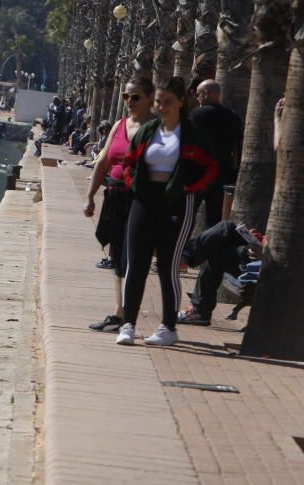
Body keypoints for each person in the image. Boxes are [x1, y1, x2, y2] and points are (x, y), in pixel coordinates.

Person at [116, 76, 219, 346]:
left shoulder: (193, 134)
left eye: (168, 102)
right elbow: (129, 162)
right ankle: (128, 324)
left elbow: (211, 168)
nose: (162, 107)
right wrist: (132, 184)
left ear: (181, 102)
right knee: (135, 264)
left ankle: (168, 327)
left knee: (167, 267)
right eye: (159, 102)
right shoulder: (148, 131)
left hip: (176, 205)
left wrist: (191, 188)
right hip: (144, 201)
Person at [83, 78, 156, 332]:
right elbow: (103, 161)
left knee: (132, 256)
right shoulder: (119, 125)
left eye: (135, 96)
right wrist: (90, 196)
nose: (130, 102)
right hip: (114, 196)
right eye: (126, 96)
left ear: (149, 98)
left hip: (140, 200)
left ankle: (128, 316)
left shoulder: (157, 128)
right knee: (116, 256)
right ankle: (119, 311)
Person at [176, 220, 262, 325]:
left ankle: (184, 257)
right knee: (226, 230)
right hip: (254, 255)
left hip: (258, 264)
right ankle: (185, 257)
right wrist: (258, 238)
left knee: (225, 230)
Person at [189, 80, 243, 227]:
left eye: (199, 94)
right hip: (222, 173)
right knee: (214, 220)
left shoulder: (195, 115)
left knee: (188, 216)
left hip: (198, 173)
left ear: (208, 94)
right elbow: (237, 148)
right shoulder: (233, 117)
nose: (197, 98)